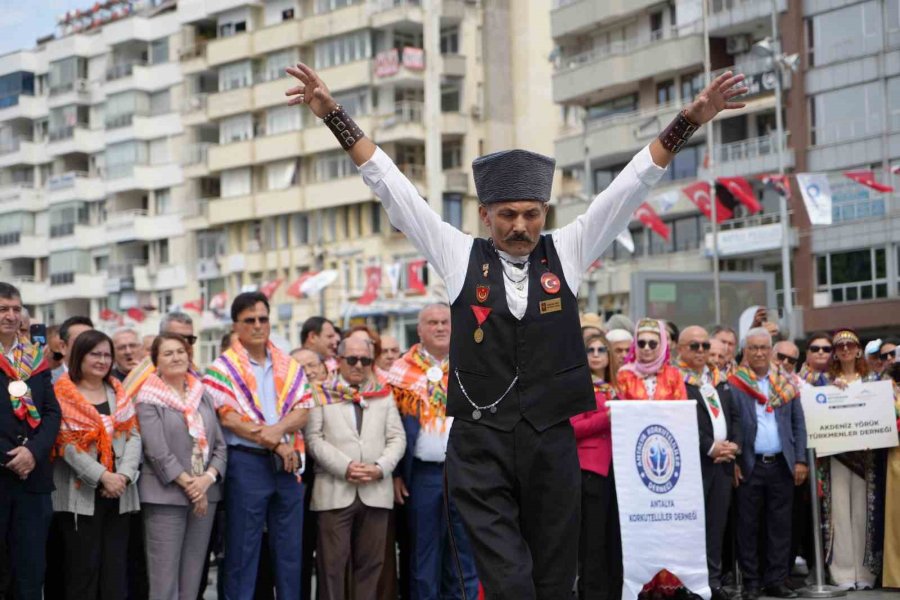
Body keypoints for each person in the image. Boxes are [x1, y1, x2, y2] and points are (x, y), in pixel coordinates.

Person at [285, 59, 747, 598]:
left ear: (545, 212)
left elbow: (629, 187)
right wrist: (334, 115)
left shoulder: (569, 250)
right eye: (508, 215)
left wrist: (690, 119)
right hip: (480, 443)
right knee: (509, 581)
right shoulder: (458, 255)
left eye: (532, 213)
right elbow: (393, 188)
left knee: (554, 579)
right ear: (485, 215)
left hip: (552, 440)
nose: (521, 225)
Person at [203, 292, 313, 599]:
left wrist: (277, 434)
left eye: (263, 319)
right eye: (249, 320)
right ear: (236, 325)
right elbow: (229, 419)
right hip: (246, 463)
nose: (257, 326)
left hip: (288, 464)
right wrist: (278, 442)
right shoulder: (222, 368)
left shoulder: (288, 364)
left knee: (291, 552)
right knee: (243, 550)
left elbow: (304, 409)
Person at [388, 304, 479, 600]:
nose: (440, 328)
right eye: (432, 323)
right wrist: (397, 475)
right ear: (420, 330)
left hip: (465, 473)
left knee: (463, 554)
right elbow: (393, 428)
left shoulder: (473, 364)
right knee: (423, 556)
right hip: (423, 474)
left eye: (445, 322)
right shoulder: (400, 371)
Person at [306, 336, 406, 600]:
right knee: (331, 568)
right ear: (339, 361)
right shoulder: (321, 393)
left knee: (372, 567)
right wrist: (345, 466)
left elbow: (397, 437)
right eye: (352, 359)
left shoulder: (382, 394)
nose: (359, 365)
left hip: (376, 490)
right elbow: (313, 439)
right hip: (334, 491)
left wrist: (380, 467)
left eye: (365, 360)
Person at [134, 333, 227, 600]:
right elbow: (157, 451)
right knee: (164, 583)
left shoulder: (203, 394)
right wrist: (191, 486)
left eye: (180, 351)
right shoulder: (148, 398)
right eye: (168, 353)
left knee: (192, 578)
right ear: (156, 362)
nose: (176, 357)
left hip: (204, 496)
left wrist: (205, 481)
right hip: (166, 496)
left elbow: (220, 447)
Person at [52, 330, 142, 600]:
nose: (102, 360)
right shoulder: (63, 392)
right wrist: (104, 476)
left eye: (106, 355)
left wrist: (123, 476)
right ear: (80, 355)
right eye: (95, 354)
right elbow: (65, 444)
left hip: (120, 494)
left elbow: (133, 435)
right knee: (83, 573)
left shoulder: (118, 390)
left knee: (115, 574)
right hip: (81, 495)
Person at [730, 327, 807, 600]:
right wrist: (734, 462)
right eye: (753, 348)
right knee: (747, 526)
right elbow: (729, 426)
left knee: (780, 526)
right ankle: (751, 582)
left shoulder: (787, 383)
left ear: (771, 350)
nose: (760, 353)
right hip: (750, 464)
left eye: (764, 347)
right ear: (745, 351)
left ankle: (775, 580)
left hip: (782, 464)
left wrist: (800, 459)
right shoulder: (734, 383)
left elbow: (798, 424)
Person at [616, 319, 690, 596]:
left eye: (652, 343)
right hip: (635, 460)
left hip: (667, 459)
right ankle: (643, 584)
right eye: (641, 343)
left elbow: (681, 413)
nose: (646, 349)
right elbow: (621, 412)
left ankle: (667, 584)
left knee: (666, 522)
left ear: (662, 345)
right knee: (641, 523)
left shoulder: (673, 375)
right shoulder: (624, 374)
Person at [0, 282, 60, 600]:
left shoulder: (35, 358)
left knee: (30, 572)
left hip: (32, 480)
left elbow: (51, 413)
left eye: (15, 309)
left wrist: (33, 453)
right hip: (2, 470)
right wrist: (9, 456)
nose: (10, 316)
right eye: (2, 309)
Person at [676, 326, 741, 600]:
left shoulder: (719, 379)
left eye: (705, 346)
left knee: (716, 527)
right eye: (695, 346)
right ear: (681, 349)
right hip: (695, 466)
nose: (701, 351)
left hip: (723, 465)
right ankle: (690, 584)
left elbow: (734, 416)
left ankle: (711, 582)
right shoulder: (676, 380)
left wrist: (733, 445)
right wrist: (710, 447)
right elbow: (680, 421)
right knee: (692, 529)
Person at [820, 329, 880, 590]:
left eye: (850, 345)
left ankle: (866, 573)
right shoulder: (824, 381)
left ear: (858, 350)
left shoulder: (872, 381)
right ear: (835, 352)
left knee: (864, 513)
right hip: (837, 454)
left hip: (866, 455)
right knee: (839, 514)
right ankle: (843, 573)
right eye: (840, 346)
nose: (845, 349)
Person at [571, 332, 621, 600]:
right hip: (590, 471)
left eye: (602, 349)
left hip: (619, 471)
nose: (597, 354)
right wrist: (606, 418)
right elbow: (573, 428)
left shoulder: (615, 388)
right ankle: (592, 594)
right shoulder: (578, 387)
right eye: (591, 350)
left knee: (613, 538)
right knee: (592, 542)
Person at [53, 316, 94, 383]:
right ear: (63, 347)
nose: (87, 346)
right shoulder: (49, 381)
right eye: (80, 340)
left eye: (91, 341)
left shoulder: (109, 382)